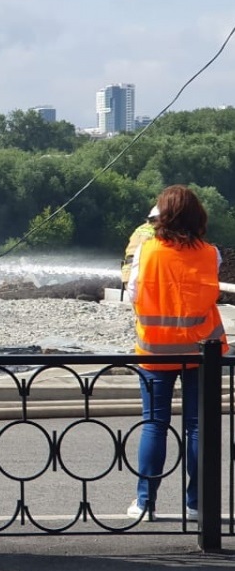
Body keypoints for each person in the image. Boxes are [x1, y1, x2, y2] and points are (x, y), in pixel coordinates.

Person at [125, 185, 228, 522]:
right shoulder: (210, 253)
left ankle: (145, 503)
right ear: (198, 215)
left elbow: (133, 294)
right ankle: (198, 504)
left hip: (154, 349)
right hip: (202, 351)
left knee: (154, 424)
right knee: (199, 427)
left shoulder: (146, 251)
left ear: (162, 216)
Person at [120, 205, 159, 297]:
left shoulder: (140, 228)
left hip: (127, 273)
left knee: (140, 307)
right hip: (143, 273)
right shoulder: (160, 231)